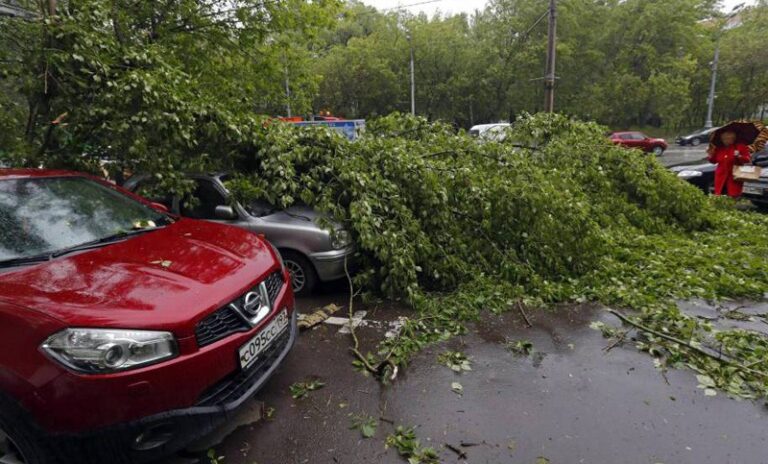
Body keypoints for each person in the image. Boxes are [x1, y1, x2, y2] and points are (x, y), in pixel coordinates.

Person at [707, 130, 751, 197]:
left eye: (731, 138)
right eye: (726, 139)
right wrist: (710, 155)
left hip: (734, 176)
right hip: (721, 176)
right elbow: (714, 161)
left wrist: (739, 156)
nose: (729, 140)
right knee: (720, 195)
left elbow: (747, 159)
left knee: (733, 195)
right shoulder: (719, 148)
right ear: (722, 139)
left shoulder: (740, 146)